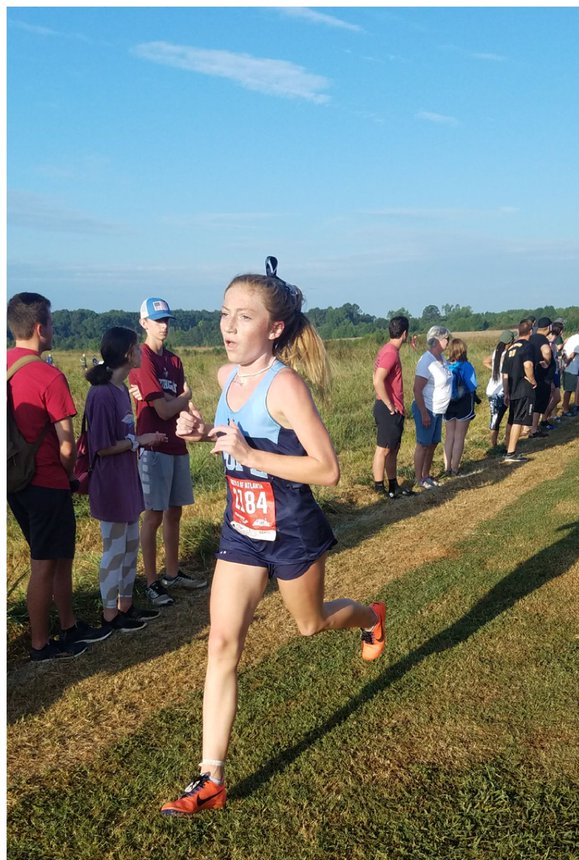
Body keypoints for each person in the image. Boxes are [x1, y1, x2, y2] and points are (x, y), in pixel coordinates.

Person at [164, 257, 385, 816]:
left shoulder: (284, 386)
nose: (229, 327)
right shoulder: (222, 378)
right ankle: (209, 777)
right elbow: (232, 436)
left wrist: (248, 453)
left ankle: (370, 617)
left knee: (310, 625)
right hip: (242, 528)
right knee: (221, 644)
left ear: (275, 328)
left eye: (244, 317)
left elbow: (327, 469)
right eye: (224, 314)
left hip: (290, 528)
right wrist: (201, 433)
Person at [7, 292, 111, 660]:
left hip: (16, 481)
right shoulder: (48, 376)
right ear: (40, 328)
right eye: (49, 323)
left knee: (58, 556)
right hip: (47, 482)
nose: (51, 329)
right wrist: (69, 477)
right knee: (44, 563)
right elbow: (67, 444)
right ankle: (40, 644)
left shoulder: (5, 367)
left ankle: (68, 626)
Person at [84, 328, 169, 633]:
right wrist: (139, 440)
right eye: (136, 349)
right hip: (110, 485)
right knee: (114, 549)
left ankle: (126, 606)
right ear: (127, 353)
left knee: (130, 545)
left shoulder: (120, 390)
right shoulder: (101, 394)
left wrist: (138, 441)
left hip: (127, 480)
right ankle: (109, 616)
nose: (139, 354)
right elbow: (102, 446)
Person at [129, 296, 207, 606]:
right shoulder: (142, 358)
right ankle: (151, 581)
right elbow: (162, 410)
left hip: (177, 445)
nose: (164, 326)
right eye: (158, 320)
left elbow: (180, 403)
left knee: (175, 511)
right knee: (154, 515)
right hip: (154, 445)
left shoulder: (174, 361)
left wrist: (189, 404)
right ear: (144, 322)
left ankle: (172, 572)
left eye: (167, 320)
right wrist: (185, 396)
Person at [372, 315, 409, 499]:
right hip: (387, 407)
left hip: (393, 407)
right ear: (405, 334)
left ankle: (393, 485)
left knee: (393, 448)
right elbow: (378, 379)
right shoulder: (390, 353)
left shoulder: (388, 350)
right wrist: (390, 405)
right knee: (384, 448)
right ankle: (379, 488)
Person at [412, 325, 451, 489]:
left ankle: (426, 475)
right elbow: (417, 389)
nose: (448, 342)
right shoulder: (426, 361)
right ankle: (418, 478)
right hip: (427, 408)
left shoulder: (442, 359)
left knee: (433, 443)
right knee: (423, 444)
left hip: (439, 409)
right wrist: (423, 413)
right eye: (446, 339)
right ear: (437, 340)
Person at [502, 318, 535, 464]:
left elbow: (505, 374)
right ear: (530, 331)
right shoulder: (527, 346)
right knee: (519, 420)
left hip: (512, 388)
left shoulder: (510, 349)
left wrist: (506, 392)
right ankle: (511, 452)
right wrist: (533, 380)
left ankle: (507, 446)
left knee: (512, 418)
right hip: (523, 387)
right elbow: (528, 365)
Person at [443, 336, 477, 476]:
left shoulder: (445, 365)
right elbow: (472, 385)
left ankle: (447, 468)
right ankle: (455, 468)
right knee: (459, 436)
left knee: (449, 436)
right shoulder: (466, 366)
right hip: (464, 403)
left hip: (448, 403)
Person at [526, 317, 556, 438]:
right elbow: (547, 351)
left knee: (532, 403)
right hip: (542, 377)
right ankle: (534, 429)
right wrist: (547, 362)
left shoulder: (531, 337)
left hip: (532, 375)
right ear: (549, 327)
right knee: (539, 404)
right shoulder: (543, 339)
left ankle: (529, 427)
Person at [486, 333, 514, 451]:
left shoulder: (496, 352)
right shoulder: (506, 355)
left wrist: (494, 370)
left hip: (492, 388)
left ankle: (494, 444)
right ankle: (494, 445)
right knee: (497, 418)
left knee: (495, 417)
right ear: (509, 343)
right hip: (500, 390)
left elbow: (485, 361)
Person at [561, 322, 579, 415]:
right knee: (569, 390)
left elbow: (564, 348)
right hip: (572, 367)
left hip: (567, 365)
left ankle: (566, 407)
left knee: (567, 389)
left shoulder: (572, 337)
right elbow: (574, 353)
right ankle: (565, 409)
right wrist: (567, 362)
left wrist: (564, 360)